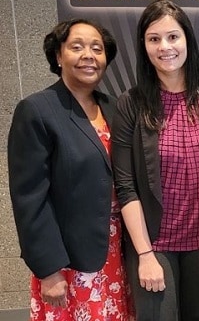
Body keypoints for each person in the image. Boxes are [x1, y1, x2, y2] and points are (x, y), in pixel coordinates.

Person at [111, 0, 199, 321]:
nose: (165, 47)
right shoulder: (132, 104)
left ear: (187, 41)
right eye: (154, 39)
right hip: (156, 243)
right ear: (144, 46)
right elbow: (126, 187)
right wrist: (145, 254)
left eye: (172, 37)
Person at [8, 19, 134, 321]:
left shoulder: (115, 108)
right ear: (58, 56)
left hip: (117, 252)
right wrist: (48, 270)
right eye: (76, 47)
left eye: (97, 49)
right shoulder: (37, 110)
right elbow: (29, 198)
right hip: (69, 258)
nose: (88, 55)